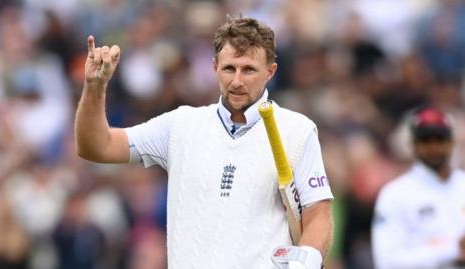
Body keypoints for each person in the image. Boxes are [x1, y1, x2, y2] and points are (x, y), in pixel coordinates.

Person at [75, 15, 334, 269]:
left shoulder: (297, 130)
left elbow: (318, 215)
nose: (237, 81)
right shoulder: (181, 125)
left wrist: (306, 262)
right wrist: (94, 87)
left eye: (249, 70)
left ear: (270, 71)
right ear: (214, 67)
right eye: (229, 68)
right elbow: (97, 146)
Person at [372, 107, 465, 269]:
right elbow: (387, 262)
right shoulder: (395, 194)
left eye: (440, 139)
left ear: (451, 142)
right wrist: (453, 249)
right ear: (413, 144)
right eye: (425, 140)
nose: (433, 147)